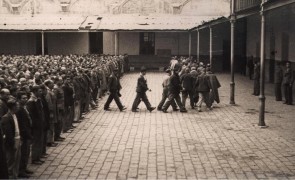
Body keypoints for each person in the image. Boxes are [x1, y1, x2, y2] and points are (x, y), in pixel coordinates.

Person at [1, 98, 21, 179]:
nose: (18, 106)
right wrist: (13, 144)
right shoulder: (6, 117)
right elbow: (8, 134)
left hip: (18, 139)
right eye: (17, 105)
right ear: (13, 107)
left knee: (16, 161)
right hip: (12, 141)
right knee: (11, 161)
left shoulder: (15, 115)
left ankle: (14, 177)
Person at [16, 91, 33, 178]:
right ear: (18, 99)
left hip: (27, 132)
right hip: (24, 134)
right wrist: (25, 134)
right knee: (23, 153)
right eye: (23, 98)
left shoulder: (24, 107)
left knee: (26, 152)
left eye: (26, 98)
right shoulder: (19, 109)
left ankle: (24, 167)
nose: (25, 99)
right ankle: (21, 170)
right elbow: (21, 124)